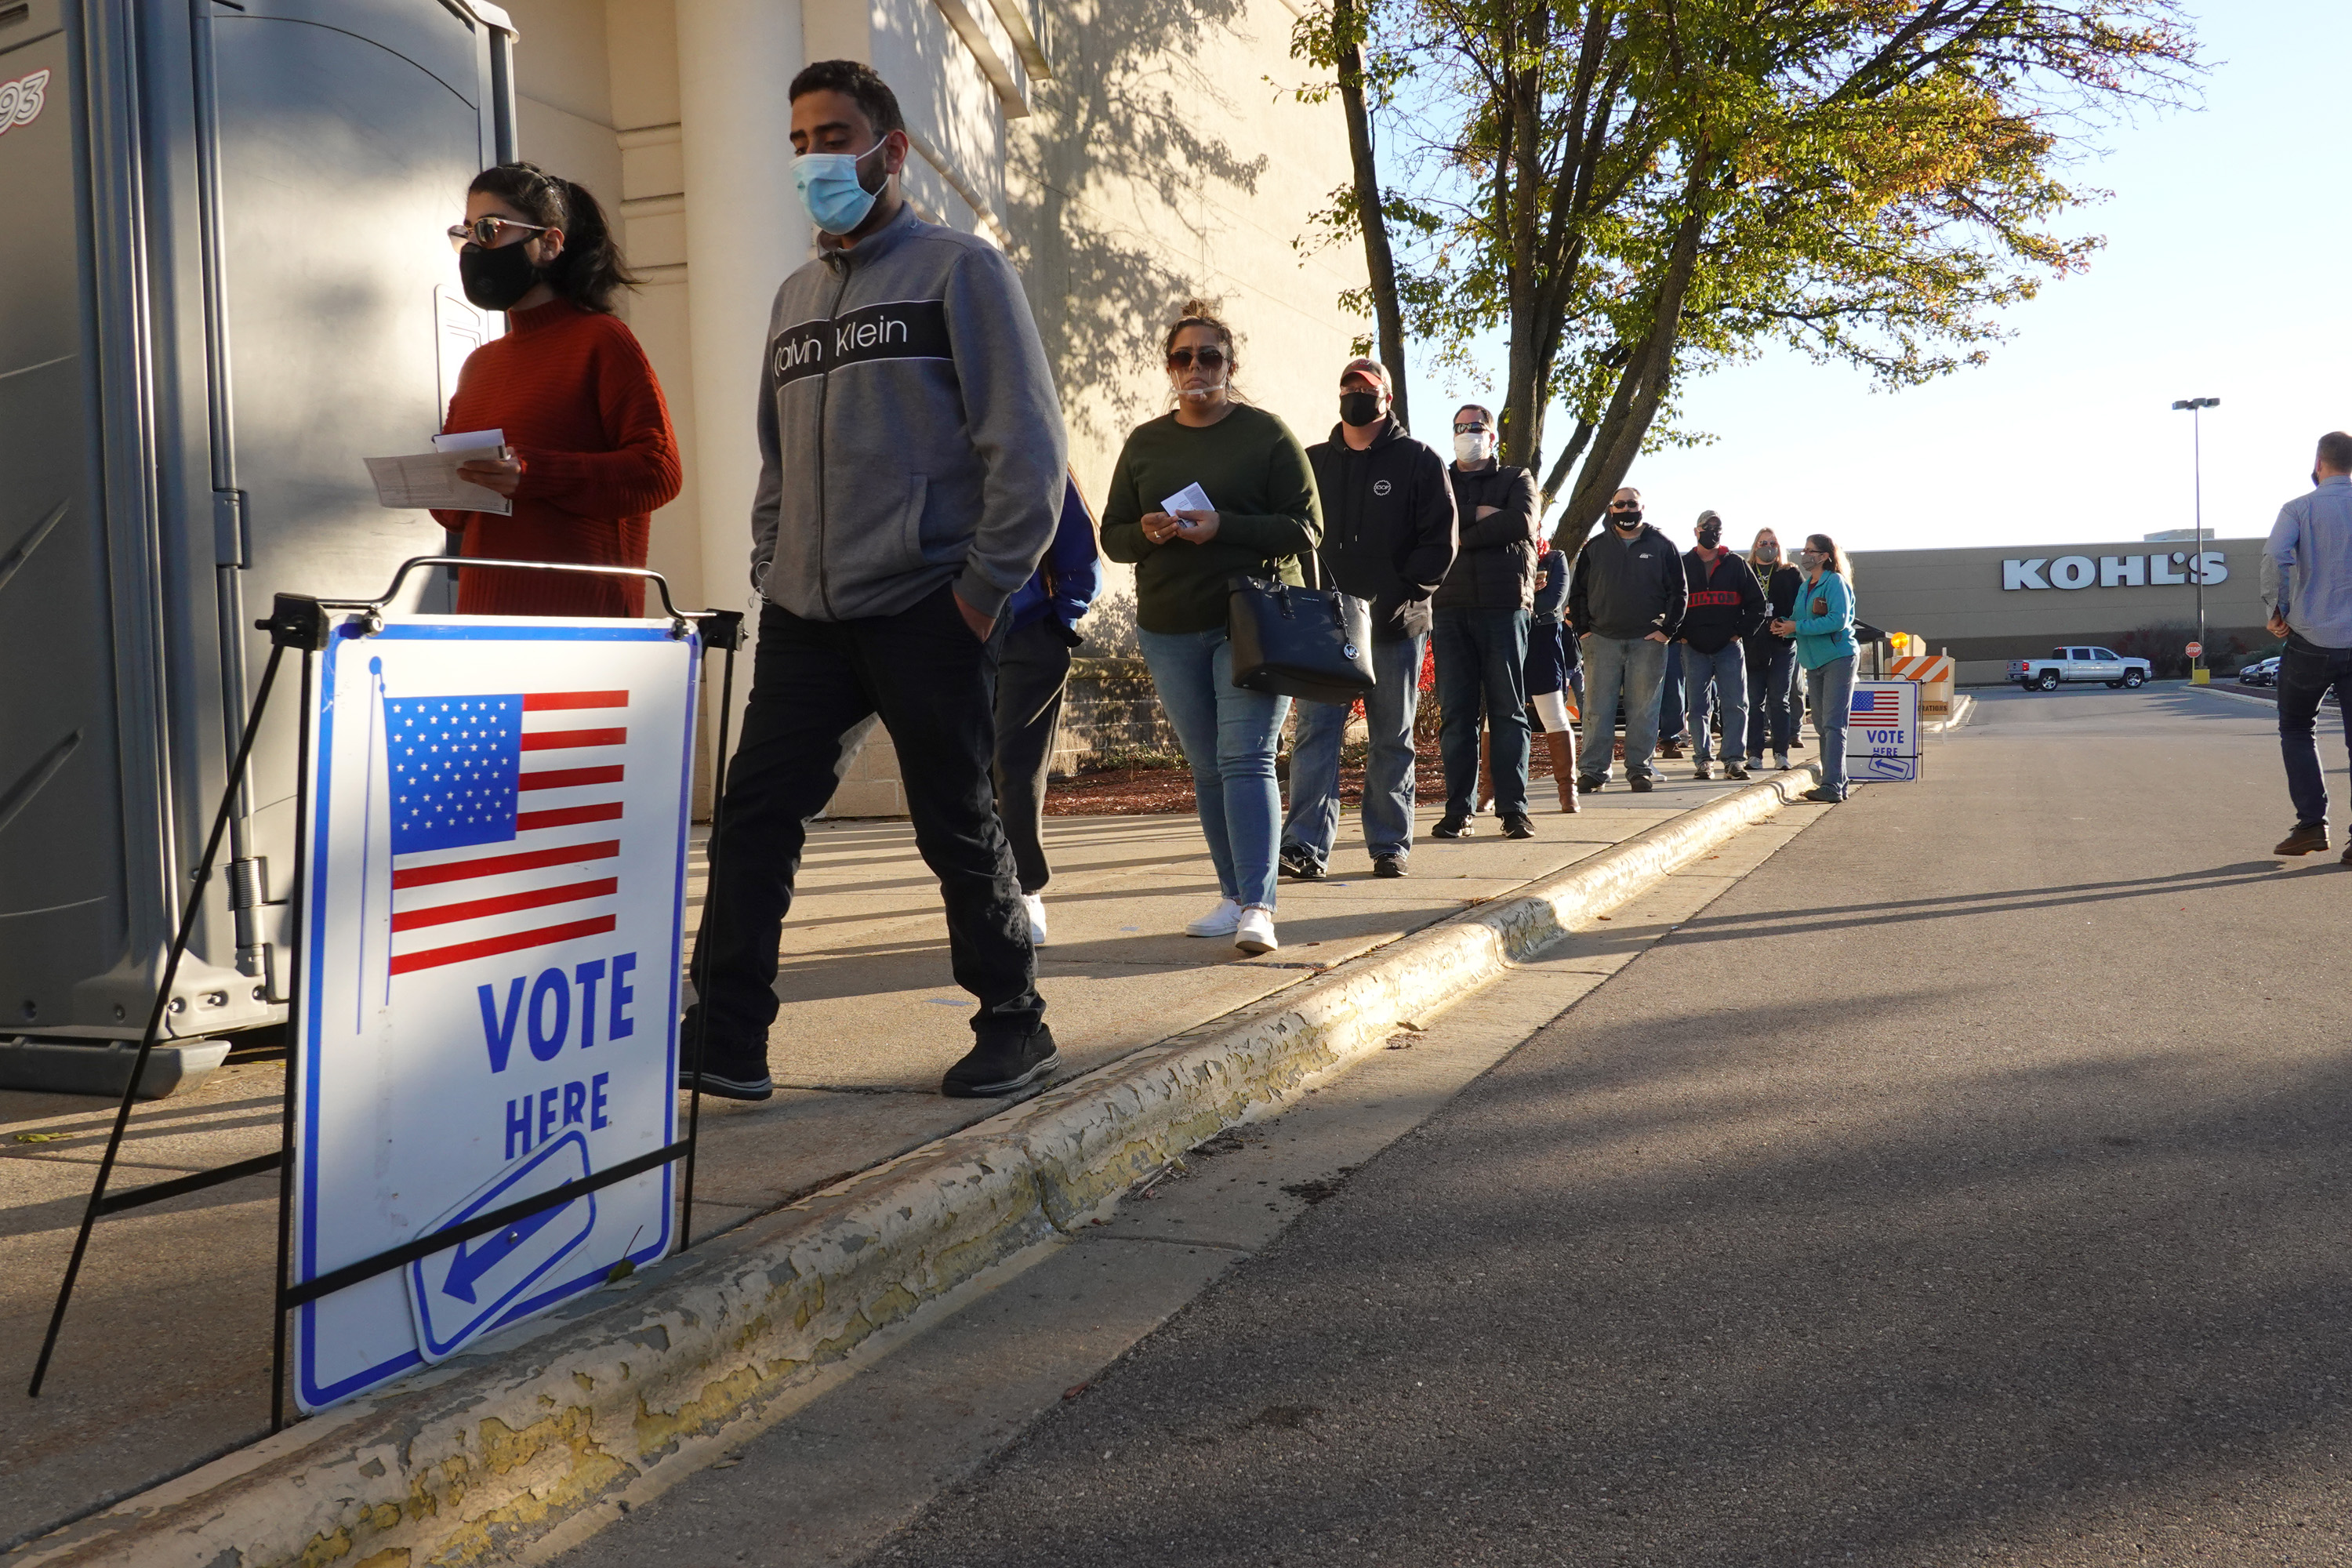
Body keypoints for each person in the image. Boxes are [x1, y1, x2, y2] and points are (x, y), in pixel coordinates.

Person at [688, 60, 1068, 1104]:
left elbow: (1027, 451)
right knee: (756, 814)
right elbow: (775, 459)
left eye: (835, 134)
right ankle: (724, 1037)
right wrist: (773, 566)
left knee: (955, 817)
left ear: (890, 150)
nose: (815, 157)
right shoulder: (794, 297)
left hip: (926, 605)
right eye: (800, 139)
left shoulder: (960, 272)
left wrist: (978, 594)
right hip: (808, 614)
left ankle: (1013, 1024)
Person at [1102, 300, 1320, 952]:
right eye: (1182, 357)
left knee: (1246, 757)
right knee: (1206, 766)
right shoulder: (1145, 441)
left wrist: (1225, 525)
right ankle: (1231, 895)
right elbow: (1113, 537)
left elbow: (1307, 527)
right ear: (1169, 368)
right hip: (1168, 625)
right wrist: (1144, 531)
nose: (1195, 367)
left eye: (1209, 356)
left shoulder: (1266, 434)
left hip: (1252, 621)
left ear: (1230, 365)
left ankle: (1260, 904)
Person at [435, 162, 681, 616]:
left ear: (549, 243)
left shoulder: (601, 339)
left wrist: (533, 473)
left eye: (488, 229)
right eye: (466, 232)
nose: (473, 246)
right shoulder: (479, 364)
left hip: (580, 625)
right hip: (483, 624)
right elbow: (456, 517)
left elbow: (658, 471)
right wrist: (443, 485)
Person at [1280, 361, 1455, 875]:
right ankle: (1305, 848)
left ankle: (1390, 845)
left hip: (1395, 626)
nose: (1357, 394)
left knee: (1391, 737)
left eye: (1367, 388)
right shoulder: (1311, 463)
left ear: (1388, 397)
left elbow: (1439, 545)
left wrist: (1399, 599)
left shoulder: (1420, 461)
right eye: (1349, 387)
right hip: (1323, 629)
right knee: (1315, 735)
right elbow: (1293, 538)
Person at [995, 473, 1103, 941]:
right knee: (961, 773)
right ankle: (983, 891)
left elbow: (1080, 546)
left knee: (1016, 768)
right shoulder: (923, 442)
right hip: (943, 641)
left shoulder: (1037, 454)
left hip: (1028, 633)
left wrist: (1063, 617)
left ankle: (1024, 889)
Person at [1426, 403, 1535, 839]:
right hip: (1449, 608)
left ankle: (1513, 810)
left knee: (1508, 711)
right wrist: (1480, 515)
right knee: (1457, 715)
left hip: (1504, 606)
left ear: (1493, 436)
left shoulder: (1516, 478)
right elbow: (1427, 530)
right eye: (1460, 427)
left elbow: (1522, 522)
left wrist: (1457, 534)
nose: (1468, 433)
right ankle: (1459, 811)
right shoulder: (1439, 481)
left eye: (1477, 427)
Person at [2262, 431, 2352, 858]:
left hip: (2311, 640)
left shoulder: (2299, 508)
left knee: (2297, 728)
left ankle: (2312, 826)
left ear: (2320, 463)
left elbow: (2276, 557)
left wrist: (2276, 610)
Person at [1566, 488, 1685, 793]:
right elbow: (1577, 592)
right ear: (1611, 508)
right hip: (1601, 640)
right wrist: (1583, 630)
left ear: (1642, 507)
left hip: (1648, 642)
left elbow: (1679, 592)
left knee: (1643, 709)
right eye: (1620, 504)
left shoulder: (1662, 546)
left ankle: (1639, 770)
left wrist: (1667, 630)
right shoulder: (1596, 547)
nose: (1627, 509)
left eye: (1632, 503)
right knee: (1596, 710)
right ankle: (1593, 771)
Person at [1677, 510, 1766, 781]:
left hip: (1729, 647)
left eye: (1717, 527)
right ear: (1696, 530)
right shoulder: (1683, 565)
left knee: (1736, 704)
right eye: (1707, 526)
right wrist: (1680, 634)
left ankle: (1734, 760)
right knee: (1698, 707)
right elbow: (1669, 600)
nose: (1712, 531)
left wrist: (1739, 633)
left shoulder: (1736, 564)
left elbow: (1757, 605)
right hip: (1693, 647)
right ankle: (1703, 760)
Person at [1774, 533, 1857, 804]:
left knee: (1833, 725)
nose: (1805, 555)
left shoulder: (1835, 582)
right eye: (1804, 550)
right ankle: (1835, 782)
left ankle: (1833, 785)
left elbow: (1838, 621)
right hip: (1813, 661)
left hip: (1838, 658)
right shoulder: (1806, 585)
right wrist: (1784, 627)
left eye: (1810, 551)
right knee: (1822, 724)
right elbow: (1800, 619)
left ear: (1824, 556)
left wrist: (1796, 627)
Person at [1524, 543, 1580, 811]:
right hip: (1508, 640)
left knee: (1554, 716)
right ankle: (1490, 790)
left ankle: (1568, 791)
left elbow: (1552, 601)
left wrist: (1517, 596)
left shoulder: (1554, 558)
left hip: (1543, 643)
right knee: (1496, 719)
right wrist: (1527, 592)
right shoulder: (1503, 553)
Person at [1744, 528, 1804, 770]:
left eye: (1772, 542)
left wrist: (1791, 626)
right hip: (1753, 645)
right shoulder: (1745, 570)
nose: (1767, 546)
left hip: (1782, 643)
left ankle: (1781, 752)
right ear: (1755, 546)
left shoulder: (1790, 573)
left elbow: (1801, 604)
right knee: (1754, 700)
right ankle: (1754, 753)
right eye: (1762, 542)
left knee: (1779, 699)